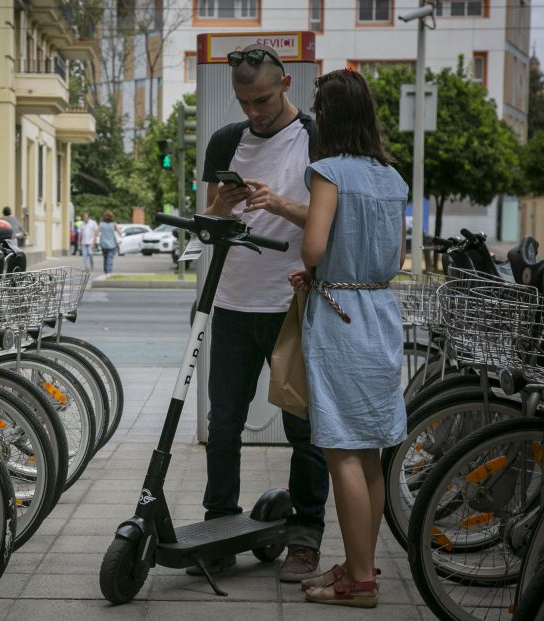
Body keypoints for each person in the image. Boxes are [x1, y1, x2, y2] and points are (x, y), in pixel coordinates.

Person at [196, 43, 329, 582]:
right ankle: (219, 527)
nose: (254, 112)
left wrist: (277, 203)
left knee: (305, 430)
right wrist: (218, 210)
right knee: (223, 424)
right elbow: (207, 224)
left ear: (286, 84)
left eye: (263, 100)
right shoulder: (226, 141)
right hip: (231, 301)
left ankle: (305, 538)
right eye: (244, 102)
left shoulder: (316, 139)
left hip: (291, 304)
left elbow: (328, 218)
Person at [288, 68, 408, 608]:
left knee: (341, 450)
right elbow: (398, 257)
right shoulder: (392, 177)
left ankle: (360, 581)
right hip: (380, 309)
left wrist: (318, 268)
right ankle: (360, 565)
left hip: (339, 316)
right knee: (371, 451)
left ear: (327, 117)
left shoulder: (327, 171)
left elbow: (313, 247)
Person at [95, 210, 122, 274]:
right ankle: (109, 271)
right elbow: (120, 232)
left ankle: (106, 271)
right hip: (112, 244)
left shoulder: (101, 224)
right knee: (110, 258)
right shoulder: (114, 224)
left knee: (105, 258)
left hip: (103, 244)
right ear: (112, 216)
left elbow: (96, 233)